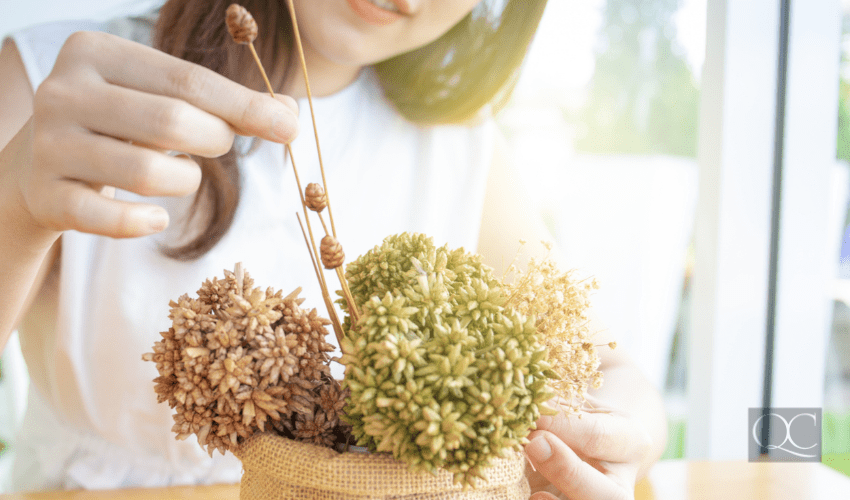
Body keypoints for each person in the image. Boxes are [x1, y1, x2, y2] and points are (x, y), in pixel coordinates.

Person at [0, 0, 667, 497]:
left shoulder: (455, 140)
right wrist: (15, 203)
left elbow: (606, 370)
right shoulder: (52, 83)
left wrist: (615, 437)